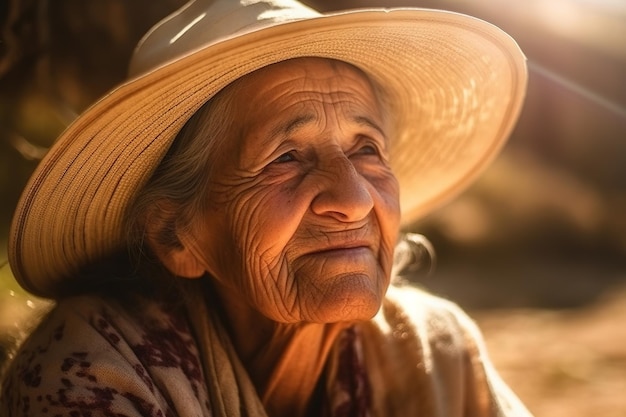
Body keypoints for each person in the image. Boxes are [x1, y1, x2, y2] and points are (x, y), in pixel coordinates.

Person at [0, 0, 531, 416]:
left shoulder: (435, 353)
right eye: (286, 157)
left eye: (366, 149)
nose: (353, 199)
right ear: (175, 237)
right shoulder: (91, 373)